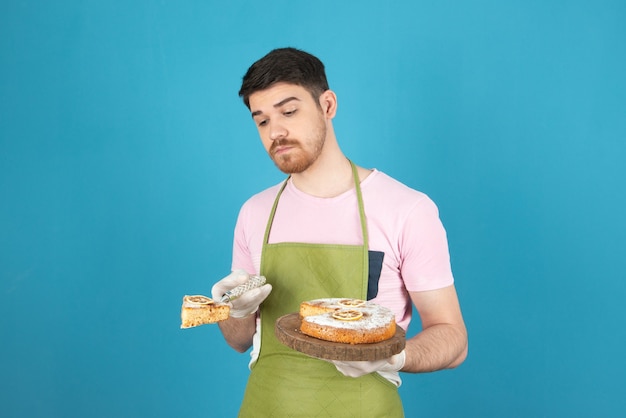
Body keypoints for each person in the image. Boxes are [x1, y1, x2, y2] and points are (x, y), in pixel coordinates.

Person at [211, 47, 468, 417]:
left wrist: (394, 356)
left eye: (289, 111)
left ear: (327, 105)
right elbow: (239, 342)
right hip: (267, 405)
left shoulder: (407, 209)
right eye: (262, 120)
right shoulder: (255, 212)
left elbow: (453, 338)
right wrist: (232, 312)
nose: (276, 132)